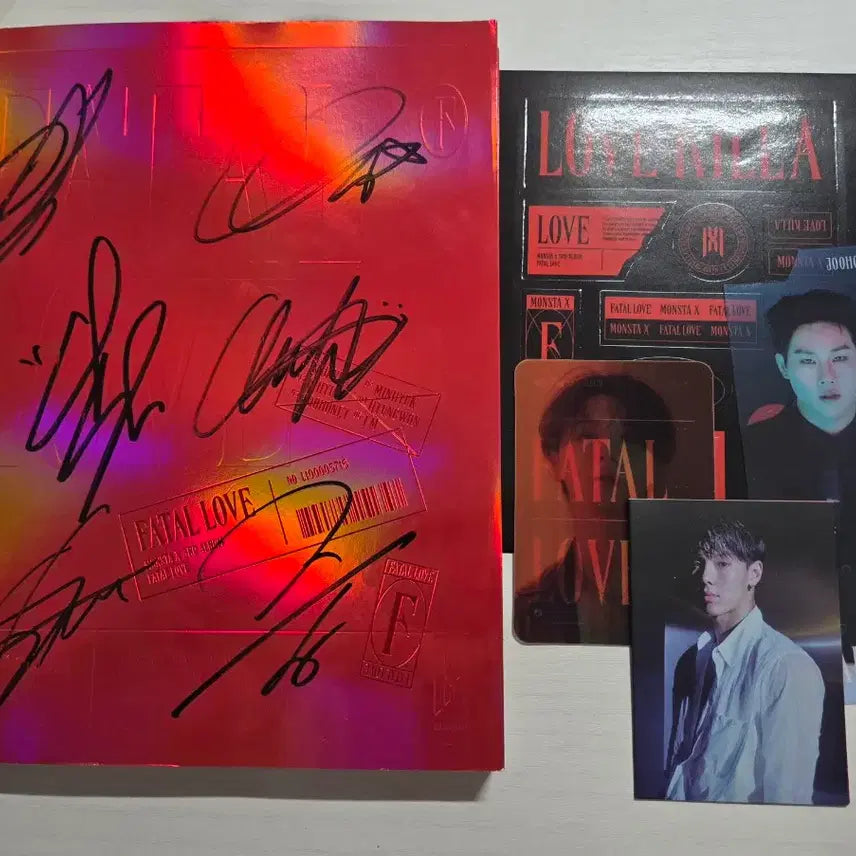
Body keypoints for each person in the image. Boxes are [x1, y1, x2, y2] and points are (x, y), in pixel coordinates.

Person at [665, 520, 824, 804]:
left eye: (722, 563)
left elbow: (788, 802)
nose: (705, 576)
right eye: (701, 563)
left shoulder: (785, 667)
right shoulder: (693, 659)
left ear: (754, 573)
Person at [514, 372, 676, 644]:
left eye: (628, 438)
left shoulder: (696, 609)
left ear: (656, 464)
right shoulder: (524, 615)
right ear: (554, 459)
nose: (607, 451)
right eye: (587, 435)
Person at [741, 289, 856, 661]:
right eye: (808, 361)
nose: (827, 377)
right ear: (783, 367)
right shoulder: (750, 451)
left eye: (840, 358)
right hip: (785, 646)